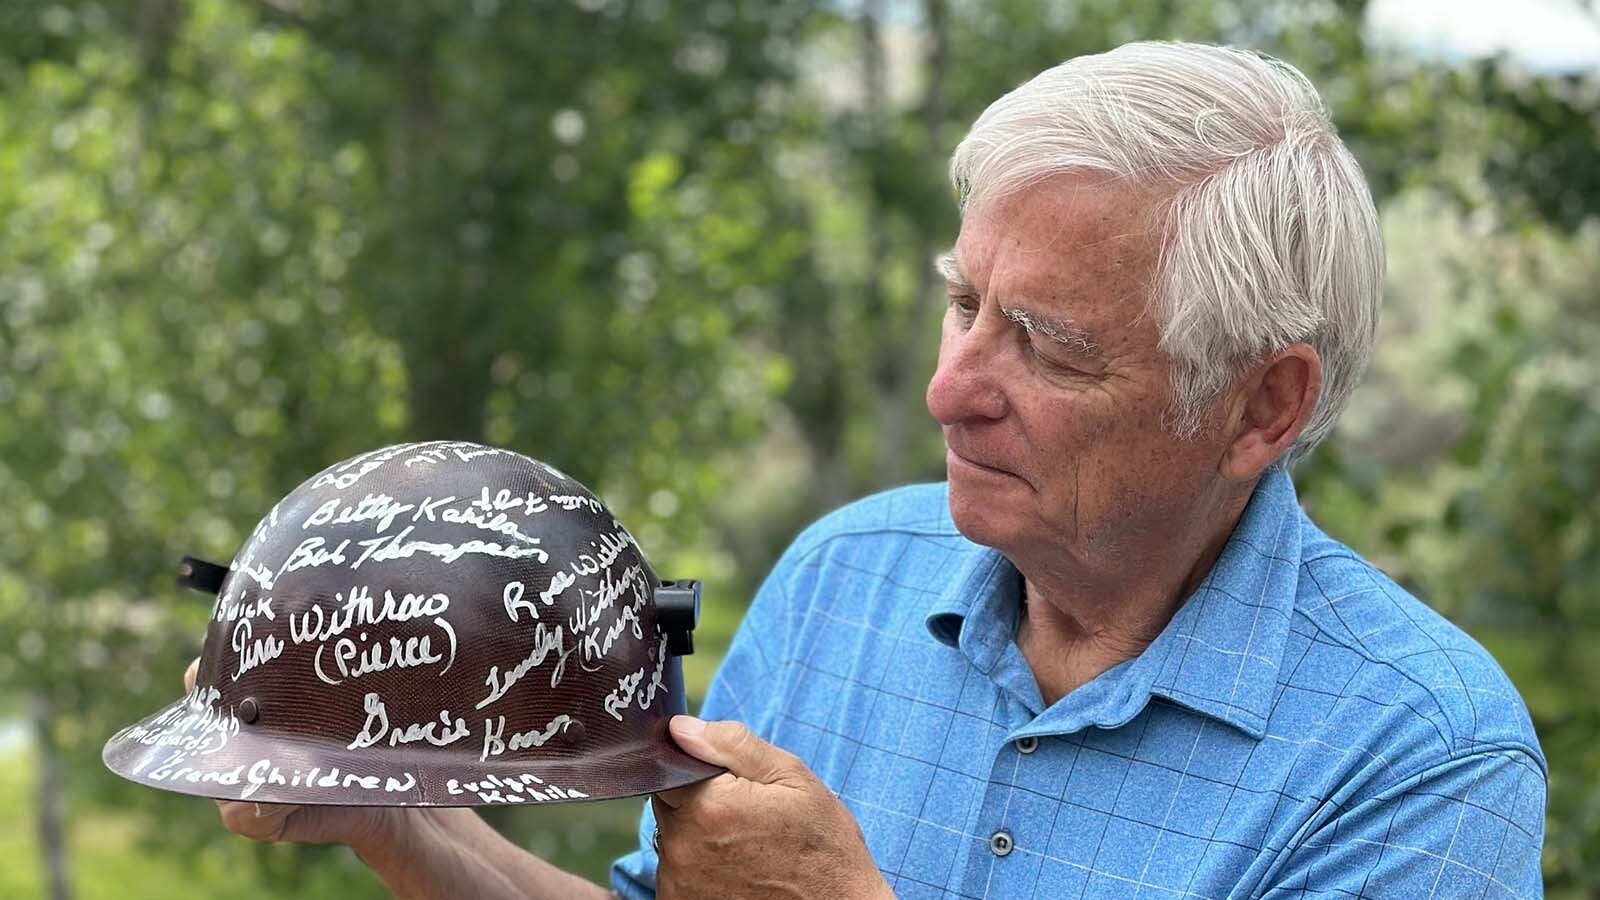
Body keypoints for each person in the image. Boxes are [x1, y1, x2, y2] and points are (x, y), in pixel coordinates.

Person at [190, 41, 1546, 898]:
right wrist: (403, 822)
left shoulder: (1419, 759)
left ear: (1265, 403)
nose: (950, 389)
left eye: (1051, 350)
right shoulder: (847, 575)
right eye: (965, 303)